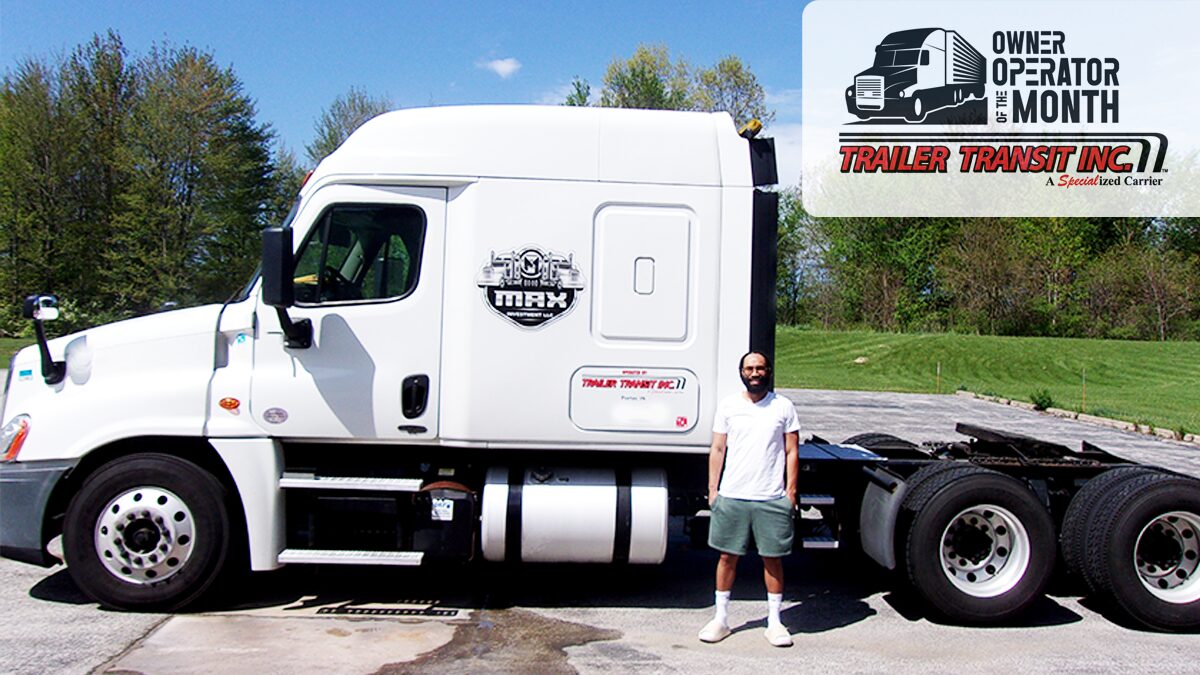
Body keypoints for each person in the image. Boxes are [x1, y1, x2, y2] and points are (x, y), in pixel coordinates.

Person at [698, 351, 800, 647]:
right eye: (749, 368)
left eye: (760, 368)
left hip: (770, 497)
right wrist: (713, 490)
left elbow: (792, 451)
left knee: (773, 559)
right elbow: (718, 449)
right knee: (727, 557)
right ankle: (721, 619)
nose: (755, 373)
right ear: (741, 372)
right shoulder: (729, 405)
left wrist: (790, 494)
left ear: (768, 371)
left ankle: (775, 622)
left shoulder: (783, 407)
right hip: (732, 496)